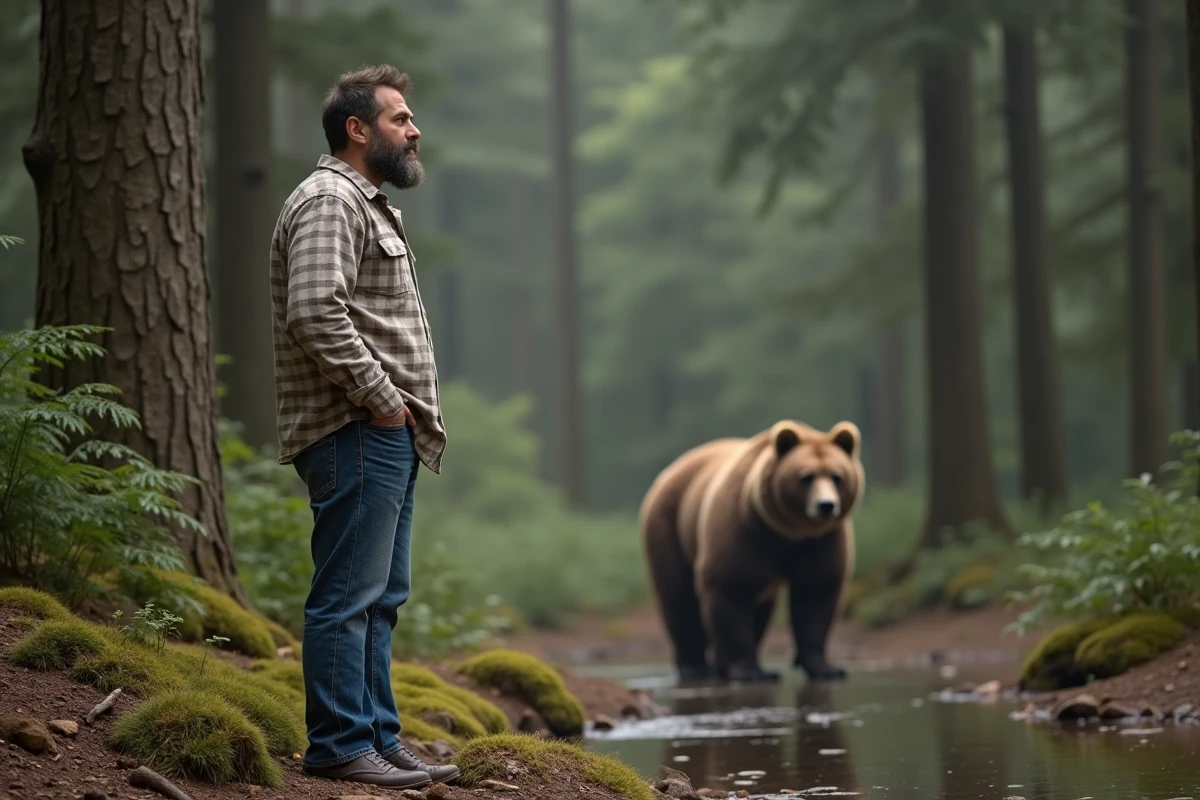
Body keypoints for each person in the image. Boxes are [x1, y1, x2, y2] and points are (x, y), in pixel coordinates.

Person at [269, 65, 456, 790]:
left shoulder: (363, 203)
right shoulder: (328, 199)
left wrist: (396, 417)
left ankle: (378, 736)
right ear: (358, 129)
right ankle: (340, 746)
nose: (414, 130)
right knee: (348, 593)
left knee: (381, 595)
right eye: (400, 118)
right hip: (355, 426)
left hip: (384, 431)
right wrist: (382, 399)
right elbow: (314, 310)